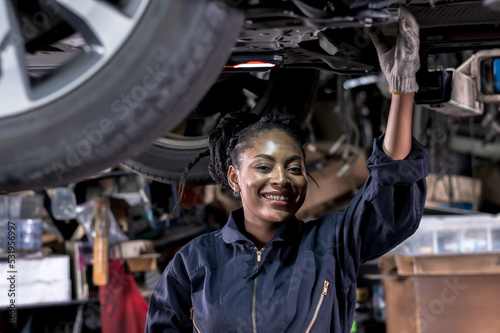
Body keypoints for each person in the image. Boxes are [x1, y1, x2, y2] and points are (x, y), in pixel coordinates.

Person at [145, 7, 428, 333]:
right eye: (264, 166)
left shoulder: (330, 245)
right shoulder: (196, 262)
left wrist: (402, 90)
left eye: (294, 168)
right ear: (235, 177)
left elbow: (389, 193)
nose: (281, 179)